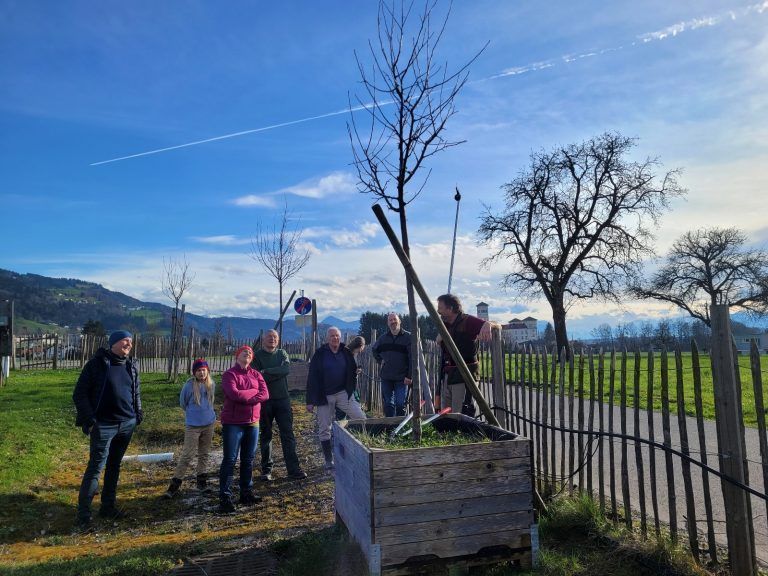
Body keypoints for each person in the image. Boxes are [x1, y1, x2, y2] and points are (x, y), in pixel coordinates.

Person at [73, 330, 142, 530]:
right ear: (113, 343)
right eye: (125, 341)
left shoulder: (131, 365)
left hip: (127, 424)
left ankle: (108, 507)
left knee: (114, 465)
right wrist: (91, 419)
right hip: (103, 425)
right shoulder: (96, 365)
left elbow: (136, 391)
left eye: (131, 341)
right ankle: (84, 516)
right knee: (96, 467)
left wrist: (138, 414)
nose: (129, 344)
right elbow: (79, 394)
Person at [306, 327, 366, 470]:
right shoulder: (320, 354)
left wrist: (356, 370)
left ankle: (361, 451)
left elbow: (353, 363)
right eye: (332, 336)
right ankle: (329, 460)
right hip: (324, 396)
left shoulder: (345, 351)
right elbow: (312, 377)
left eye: (337, 336)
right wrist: (310, 400)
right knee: (324, 428)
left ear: (340, 337)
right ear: (327, 338)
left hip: (343, 393)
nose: (335, 338)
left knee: (361, 418)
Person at [218, 345, 269, 513]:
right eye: (244, 352)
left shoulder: (257, 375)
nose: (247, 353)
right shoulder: (229, 375)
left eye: (250, 353)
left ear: (252, 358)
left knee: (248, 459)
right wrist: (254, 393)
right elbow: (234, 394)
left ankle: (246, 492)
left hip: (253, 422)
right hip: (233, 423)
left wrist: (246, 396)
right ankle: (225, 497)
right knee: (230, 459)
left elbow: (265, 394)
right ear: (237, 356)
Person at [252, 330, 307, 482]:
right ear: (263, 339)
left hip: (283, 400)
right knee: (266, 434)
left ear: (278, 340)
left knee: (288, 434)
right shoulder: (257, 356)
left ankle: (293, 469)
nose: (272, 339)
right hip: (264, 401)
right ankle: (266, 470)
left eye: (275, 337)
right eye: (269, 337)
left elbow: (286, 369)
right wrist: (275, 373)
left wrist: (266, 371)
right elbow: (257, 378)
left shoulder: (282, 353)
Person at [163, 358, 216, 499]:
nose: (201, 373)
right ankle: (174, 485)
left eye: (204, 370)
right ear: (194, 372)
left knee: (204, 454)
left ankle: (201, 483)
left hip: (209, 424)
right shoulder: (189, 386)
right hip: (193, 426)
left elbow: (211, 402)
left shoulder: (211, 384)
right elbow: (183, 403)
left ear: (207, 371)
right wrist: (194, 415)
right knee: (187, 455)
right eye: (198, 370)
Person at [436, 294, 497, 415]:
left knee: (461, 413)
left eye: (440, 308)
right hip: (449, 375)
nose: (438, 311)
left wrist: (488, 324)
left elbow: (496, 325)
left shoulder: (467, 321)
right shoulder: (446, 324)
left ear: (450, 308)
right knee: (446, 414)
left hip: (464, 376)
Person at [371, 313, 412, 417]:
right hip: (386, 377)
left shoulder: (408, 337)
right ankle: (390, 425)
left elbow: (413, 358)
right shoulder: (383, 338)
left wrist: (409, 376)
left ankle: (400, 425)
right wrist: (380, 360)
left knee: (400, 404)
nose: (393, 321)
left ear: (400, 321)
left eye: (395, 319)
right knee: (388, 404)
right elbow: (374, 350)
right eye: (390, 320)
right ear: (388, 323)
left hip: (402, 378)